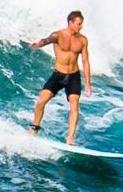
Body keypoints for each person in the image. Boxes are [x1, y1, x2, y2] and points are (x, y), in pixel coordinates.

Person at [27, 11, 92, 144]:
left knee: (74, 105)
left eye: (81, 24)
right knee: (41, 101)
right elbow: (48, 40)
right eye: (79, 24)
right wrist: (39, 44)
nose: (81, 26)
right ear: (70, 23)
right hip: (58, 75)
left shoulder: (82, 40)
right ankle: (35, 128)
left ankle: (70, 138)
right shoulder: (58, 35)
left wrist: (88, 84)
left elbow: (85, 62)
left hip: (73, 76)